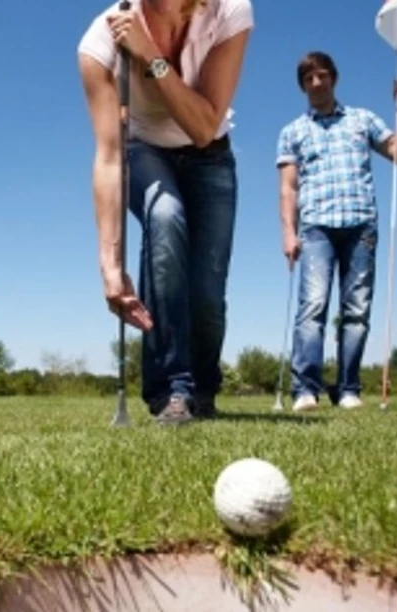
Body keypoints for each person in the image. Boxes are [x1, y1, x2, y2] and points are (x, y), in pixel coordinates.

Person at [77, 0, 254, 424]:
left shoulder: (230, 11)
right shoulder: (100, 40)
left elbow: (203, 125)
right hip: (144, 149)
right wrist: (110, 264)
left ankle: (203, 390)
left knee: (207, 291)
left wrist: (151, 57)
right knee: (164, 217)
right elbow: (108, 155)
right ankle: (172, 390)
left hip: (210, 153)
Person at [274, 51, 397, 411]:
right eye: (309, 78)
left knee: (356, 311)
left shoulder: (362, 119)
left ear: (333, 78)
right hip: (316, 227)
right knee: (313, 307)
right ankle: (305, 390)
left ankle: (349, 389)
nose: (316, 83)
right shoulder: (292, 132)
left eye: (322, 76)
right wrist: (288, 233)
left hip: (361, 224)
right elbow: (288, 188)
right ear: (302, 85)